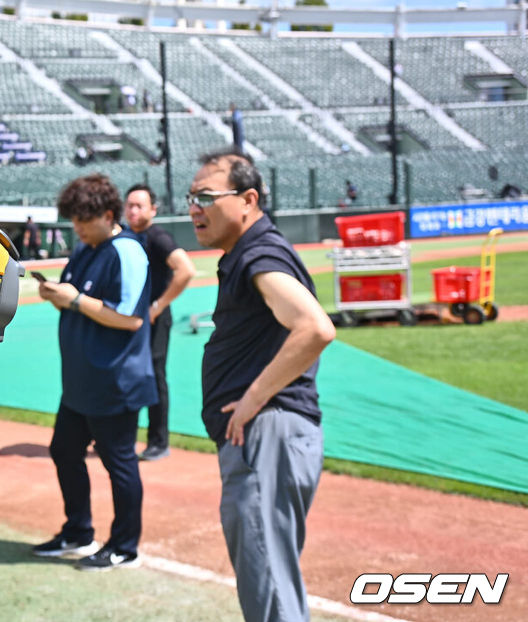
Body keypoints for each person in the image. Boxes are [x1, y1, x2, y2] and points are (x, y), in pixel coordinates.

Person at [188, 149, 335, 621]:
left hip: (266, 433)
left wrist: (254, 396)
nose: (194, 207)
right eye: (192, 197)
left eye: (207, 196)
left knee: (268, 590)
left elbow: (315, 328)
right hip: (268, 437)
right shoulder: (248, 253)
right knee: (271, 582)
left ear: (248, 199)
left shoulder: (260, 252)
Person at [34, 174, 156, 571]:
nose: (77, 228)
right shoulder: (87, 247)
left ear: (108, 215)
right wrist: (59, 297)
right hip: (81, 382)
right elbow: (76, 302)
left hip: (115, 380)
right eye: (74, 221)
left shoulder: (128, 251)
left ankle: (124, 546)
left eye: (84, 221)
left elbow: (129, 318)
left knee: (118, 462)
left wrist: (76, 300)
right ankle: (78, 532)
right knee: (64, 450)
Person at [123, 184, 196, 461]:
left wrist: (158, 306)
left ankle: (158, 442)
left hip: (154, 319)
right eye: (129, 205)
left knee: (153, 377)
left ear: (153, 210)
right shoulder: (126, 236)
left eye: (139, 205)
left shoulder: (158, 237)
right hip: (128, 319)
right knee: (127, 375)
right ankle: (124, 437)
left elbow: (185, 270)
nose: (132, 210)